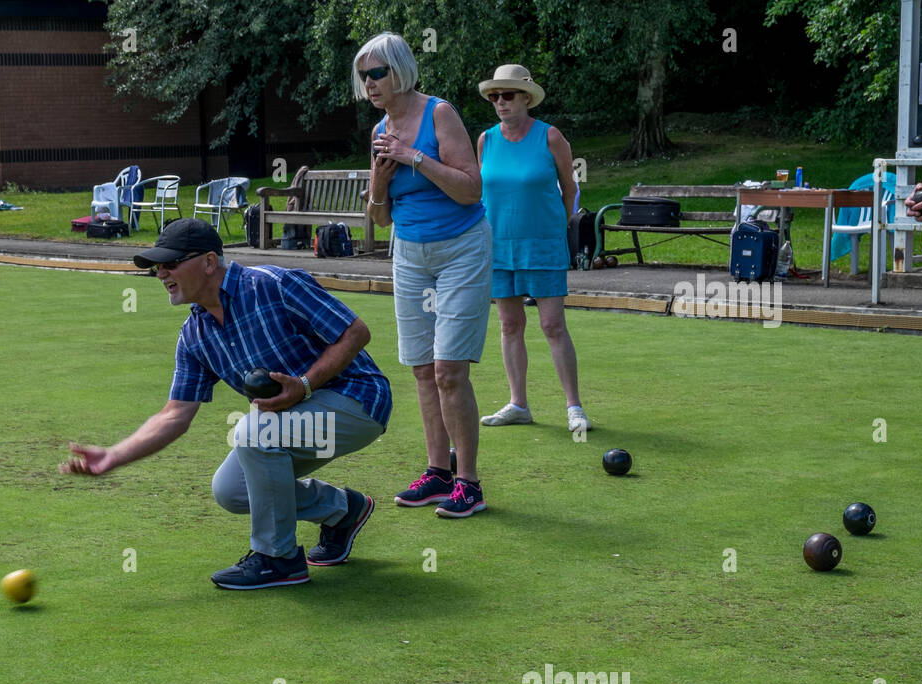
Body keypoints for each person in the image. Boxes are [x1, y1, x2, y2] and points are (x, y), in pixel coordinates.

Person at [61, 218, 392, 591]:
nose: (161, 273)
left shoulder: (273, 284)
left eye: (171, 263)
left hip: (358, 400)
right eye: (158, 266)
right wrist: (113, 456)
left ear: (207, 262)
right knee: (232, 490)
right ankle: (343, 511)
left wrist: (303, 385)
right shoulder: (194, 335)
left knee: (252, 432)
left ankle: (278, 559)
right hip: (298, 420)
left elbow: (355, 332)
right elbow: (175, 415)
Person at [357, 32, 492, 519]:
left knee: (448, 369)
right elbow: (380, 218)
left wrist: (414, 158)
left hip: (461, 249)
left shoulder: (439, 113)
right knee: (420, 367)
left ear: (400, 70)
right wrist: (380, 177)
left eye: (377, 73)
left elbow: (471, 190)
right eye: (364, 75)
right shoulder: (379, 129)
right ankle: (437, 473)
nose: (370, 83)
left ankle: (469, 483)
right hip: (410, 254)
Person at [475, 64, 590, 435]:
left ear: (526, 97)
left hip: (543, 244)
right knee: (509, 325)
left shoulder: (550, 136)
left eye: (507, 95)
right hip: (498, 244)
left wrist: (562, 226)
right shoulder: (485, 140)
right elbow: (480, 191)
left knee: (553, 325)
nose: (500, 102)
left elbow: (569, 190)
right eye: (495, 96)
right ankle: (518, 404)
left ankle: (574, 407)